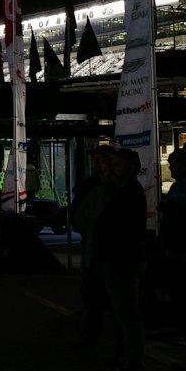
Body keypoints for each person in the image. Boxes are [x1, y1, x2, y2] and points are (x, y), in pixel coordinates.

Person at [92, 147, 148, 371]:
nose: (111, 169)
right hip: (115, 259)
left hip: (120, 261)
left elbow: (124, 232)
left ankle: (134, 364)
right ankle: (127, 356)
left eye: (116, 165)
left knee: (127, 313)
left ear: (131, 168)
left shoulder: (129, 193)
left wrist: (111, 257)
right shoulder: (121, 190)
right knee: (123, 312)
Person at [70, 147, 115, 360]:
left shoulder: (118, 190)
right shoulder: (93, 186)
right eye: (97, 161)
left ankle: (120, 349)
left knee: (114, 300)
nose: (100, 166)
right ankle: (91, 341)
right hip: (94, 248)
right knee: (92, 294)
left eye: (103, 162)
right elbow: (79, 213)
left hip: (111, 253)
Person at [160, 147, 186, 371]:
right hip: (175, 255)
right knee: (183, 311)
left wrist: (179, 212)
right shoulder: (176, 187)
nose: (171, 168)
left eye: (175, 164)